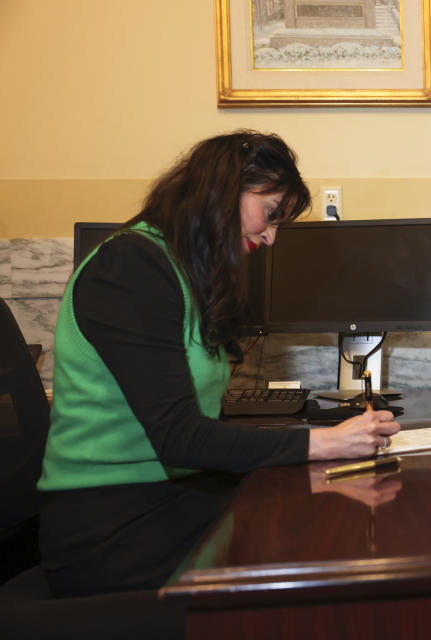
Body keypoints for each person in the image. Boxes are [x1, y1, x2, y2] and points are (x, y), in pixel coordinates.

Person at [37, 130, 400, 598]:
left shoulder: (184, 271)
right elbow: (178, 436)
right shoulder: (129, 267)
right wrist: (323, 442)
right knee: (312, 557)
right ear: (223, 188)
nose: (271, 238)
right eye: (270, 215)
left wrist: (321, 436)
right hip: (113, 527)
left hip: (171, 500)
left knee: (317, 524)